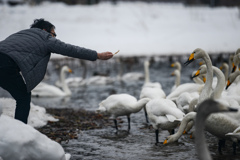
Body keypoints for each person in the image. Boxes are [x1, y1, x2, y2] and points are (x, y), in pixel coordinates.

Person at [0, 18, 113, 124]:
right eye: (54, 34)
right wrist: (97, 55)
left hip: (4, 60)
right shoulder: (45, 37)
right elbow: (70, 49)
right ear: (45, 30)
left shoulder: (20, 34)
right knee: (23, 98)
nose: (54, 38)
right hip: (6, 64)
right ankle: (20, 130)